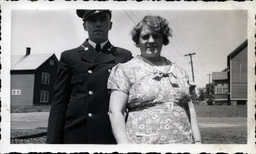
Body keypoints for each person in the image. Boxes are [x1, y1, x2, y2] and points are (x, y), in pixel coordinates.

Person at [108, 15, 201, 144]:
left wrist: (197, 141)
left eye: (156, 36)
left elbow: (189, 108)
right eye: (145, 36)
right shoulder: (126, 70)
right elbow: (115, 111)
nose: (151, 41)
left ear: (163, 39)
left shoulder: (179, 71)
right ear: (137, 40)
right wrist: (124, 146)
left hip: (182, 143)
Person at [46, 9, 132, 144]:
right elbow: (59, 102)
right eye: (92, 20)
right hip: (77, 134)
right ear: (84, 26)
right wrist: (52, 143)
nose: (98, 24)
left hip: (109, 134)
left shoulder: (123, 56)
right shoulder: (70, 57)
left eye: (103, 19)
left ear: (110, 25)